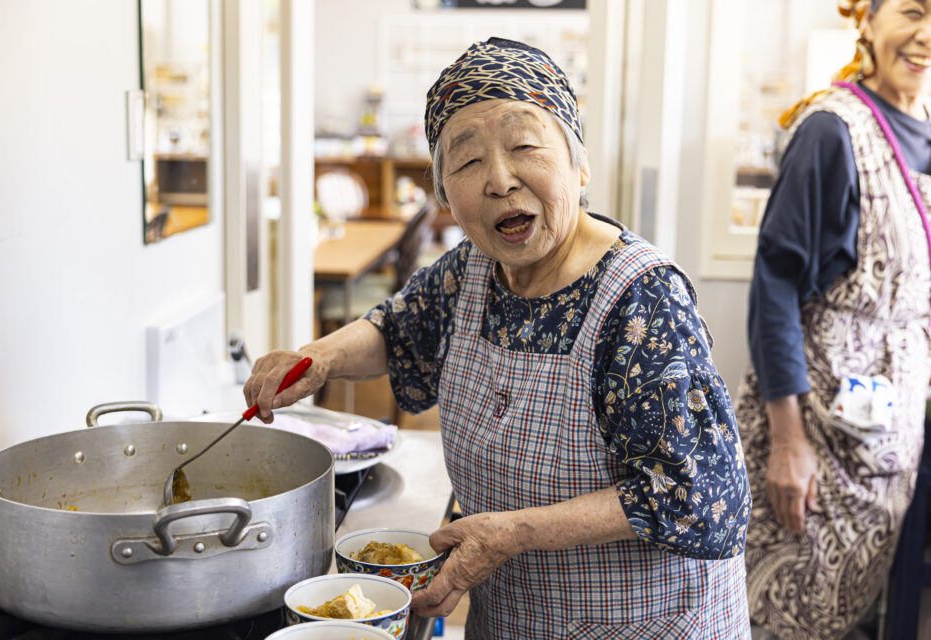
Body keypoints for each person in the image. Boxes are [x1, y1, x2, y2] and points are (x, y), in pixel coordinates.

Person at [246, 37, 751, 638]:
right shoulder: (472, 272)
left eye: (524, 146)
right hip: (516, 618)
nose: (500, 180)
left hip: (648, 623)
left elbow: (699, 495)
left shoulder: (641, 302)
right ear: (444, 197)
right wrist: (319, 358)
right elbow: (396, 327)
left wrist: (514, 532)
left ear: (579, 164)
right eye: (466, 162)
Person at [736, 1, 931, 638]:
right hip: (814, 450)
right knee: (781, 619)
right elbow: (774, 286)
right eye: (912, 10)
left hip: (882, 454)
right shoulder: (833, 131)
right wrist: (788, 442)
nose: (926, 33)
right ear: (867, 19)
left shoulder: (924, 128)